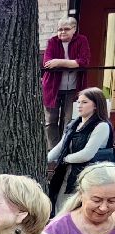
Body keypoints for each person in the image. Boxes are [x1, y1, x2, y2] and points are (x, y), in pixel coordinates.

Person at [48, 86, 112, 214]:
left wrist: (64, 159)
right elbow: (60, 146)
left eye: (84, 102)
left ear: (95, 105)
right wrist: (45, 159)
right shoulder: (73, 125)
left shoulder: (102, 126)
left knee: (76, 210)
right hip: (66, 173)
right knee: (60, 207)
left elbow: (87, 154)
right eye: (78, 102)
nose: (79, 105)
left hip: (88, 177)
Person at [43, 16, 91, 149]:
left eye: (66, 29)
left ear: (74, 29)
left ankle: (65, 147)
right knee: (50, 121)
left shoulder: (82, 40)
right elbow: (46, 63)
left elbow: (84, 61)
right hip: (52, 89)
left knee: (69, 121)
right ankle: (53, 149)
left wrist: (59, 62)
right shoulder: (52, 42)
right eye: (59, 29)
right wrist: (73, 63)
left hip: (74, 88)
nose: (62, 32)